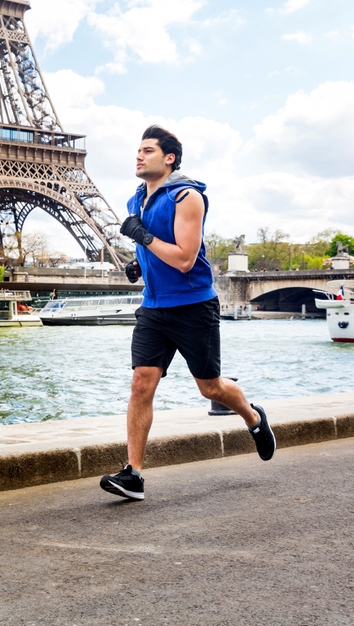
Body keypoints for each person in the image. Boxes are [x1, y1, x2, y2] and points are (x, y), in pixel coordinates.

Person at [100, 125, 276, 501]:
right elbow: (151, 251)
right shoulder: (138, 199)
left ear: (169, 158)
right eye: (138, 150)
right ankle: (133, 475)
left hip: (193, 306)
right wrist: (138, 264)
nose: (138, 155)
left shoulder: (187, 196)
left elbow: (183, 259)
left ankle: (254, 418)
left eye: (147, 150)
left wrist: (143, 237)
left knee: (209, 387)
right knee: (140, 383)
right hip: (153, 307)